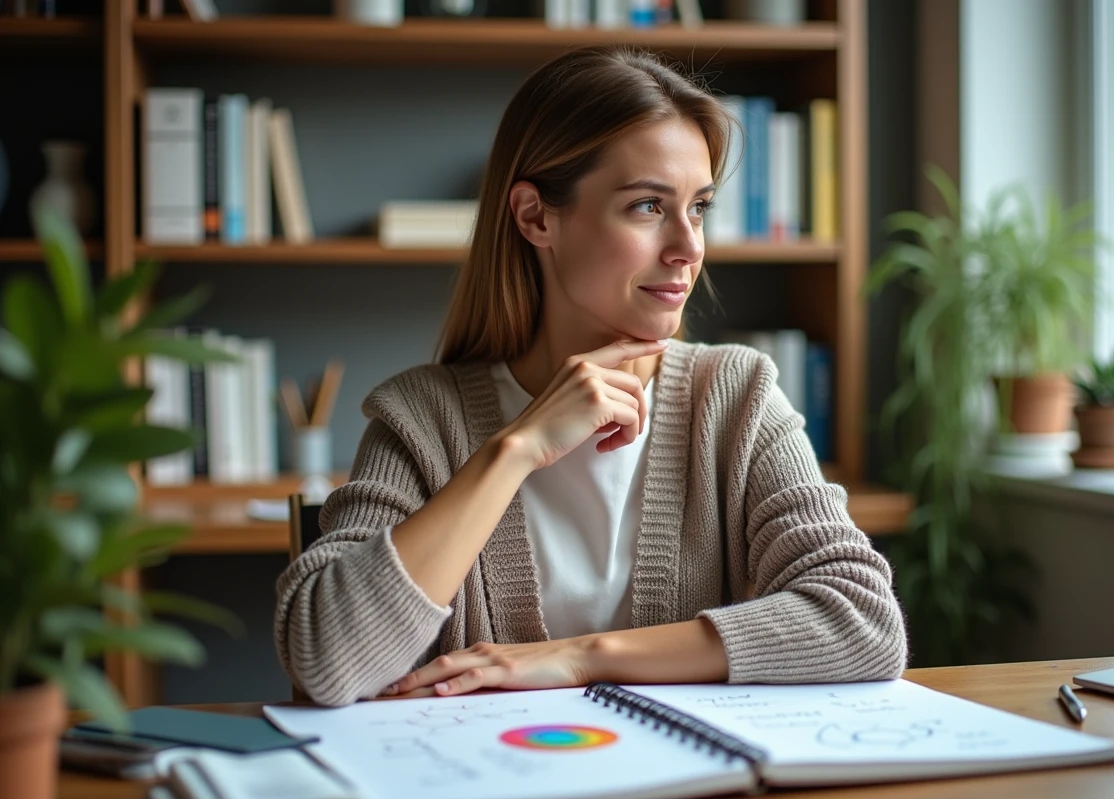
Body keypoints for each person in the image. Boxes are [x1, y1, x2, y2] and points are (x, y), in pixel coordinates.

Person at [275, 45, 908, 708]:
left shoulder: (735, 398)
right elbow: (327, 659)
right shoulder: (422, 418)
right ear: (535, 216)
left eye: (698, 208)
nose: (689, 248)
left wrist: (581, 657)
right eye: (646, 207)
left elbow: (862, 622)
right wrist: (516, 449)